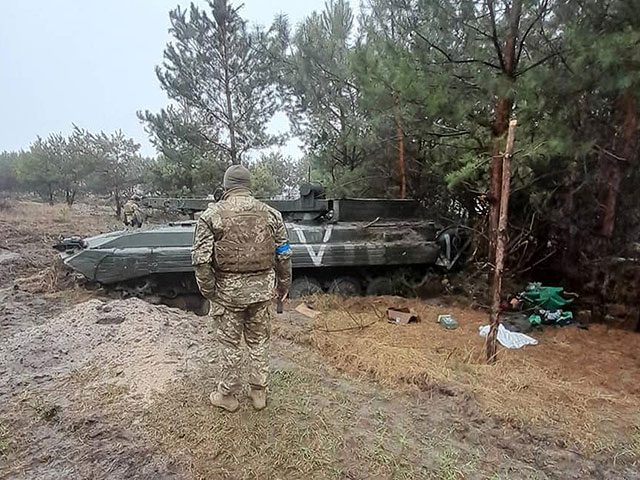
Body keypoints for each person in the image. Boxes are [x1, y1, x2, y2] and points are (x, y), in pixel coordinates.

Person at [192, 165, 292, 412]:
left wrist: (210, 291)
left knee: (231, 345)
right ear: (249, 187)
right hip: (262, 291)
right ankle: (259, 393)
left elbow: (202, 261)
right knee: (259, 342)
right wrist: (284, 284)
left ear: (226, 187)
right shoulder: (271, 215)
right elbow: (283, 254)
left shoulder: (211, 216)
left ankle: (227, 396)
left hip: (228, 294)